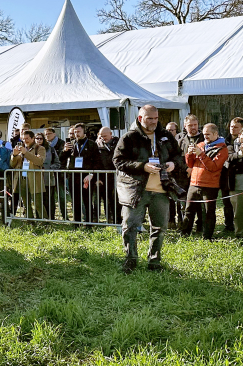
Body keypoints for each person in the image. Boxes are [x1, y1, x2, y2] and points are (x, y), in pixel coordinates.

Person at [113, 104, 185, 273]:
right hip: (136, 190)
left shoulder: (165, 136)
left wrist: (173, 164)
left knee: (160, 228)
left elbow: (179, 156)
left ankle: (154, 261)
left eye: (156, 118)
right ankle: (130, 259)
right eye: (150, 118)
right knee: (130, 226)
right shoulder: (129, 137)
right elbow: (118, 161)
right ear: (140, 118)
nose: (154, 121)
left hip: (161, 190)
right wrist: (142, 166)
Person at [181, 123, 227, 240]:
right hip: (194, 183)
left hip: (210, 185)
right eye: (204, 134)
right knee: (188, 210)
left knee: (208, 212)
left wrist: (201, 155)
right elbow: (190, 164)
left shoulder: (222, 149)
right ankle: (185, 234)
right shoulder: (200, 145)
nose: (205, 137)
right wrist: (189, 154)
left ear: (216, 134)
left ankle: (207, 236)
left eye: (208, 134)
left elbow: (213, 167)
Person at [60, 123, 100, 224]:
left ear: (84, 132)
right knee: (75, 201)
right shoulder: (71, 144)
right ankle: (76, 223)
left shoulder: (91, 144)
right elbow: (62, 159)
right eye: (75, 132)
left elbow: (97, 161)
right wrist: (65, 151)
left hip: (86, 175)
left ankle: (89, 223)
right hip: (73, 175)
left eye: (78, 132)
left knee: (87, 200)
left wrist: (91, 174)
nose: (76, 134)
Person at [10, 129, 45, 220]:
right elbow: (12, 164)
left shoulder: (40, 148)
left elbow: (39, 161)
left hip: (34, 179)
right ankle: (29, 221)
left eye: (27, 138)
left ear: (33, 138)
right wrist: (14, 155)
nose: (25, 141)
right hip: (22, 178)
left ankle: (44, 222)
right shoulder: (20, 148)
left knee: (38, 203)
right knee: (25, 203)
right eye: (23, 139)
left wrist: (26, 153)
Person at [219, 117, 243, 231]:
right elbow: (226, 157)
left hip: (240, 174)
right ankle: (228, 225)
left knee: (239, 202)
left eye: (236, 127)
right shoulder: (224, 141)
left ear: (241, 128)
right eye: (231, 126)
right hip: (226, 175)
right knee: (227, 201)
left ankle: (241, 224)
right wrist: (237, 155)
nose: (232, 129)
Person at [95, 127, 119, 224]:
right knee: (106, 198)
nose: (103, 138)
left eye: (105, 136)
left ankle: (117, 219)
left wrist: (103, 149)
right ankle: (109, 218)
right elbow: (96, 162)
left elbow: (112, 158)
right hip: (103, 177)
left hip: (116, 175)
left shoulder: (118, 143)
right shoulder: (97, 145)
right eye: (101, 136)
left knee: (116, 199)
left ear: (110, 134)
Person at [43, 127, 66, 220]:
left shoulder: (62, 143)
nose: (47, 136)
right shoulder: (44, 145)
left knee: (61, 196)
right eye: (46, 134)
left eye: (49, 133)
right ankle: (50, 216)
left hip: (59, 173)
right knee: (50, 196)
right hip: (48, 175)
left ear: (54, 134)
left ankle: (65, 216)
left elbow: (63, 157)